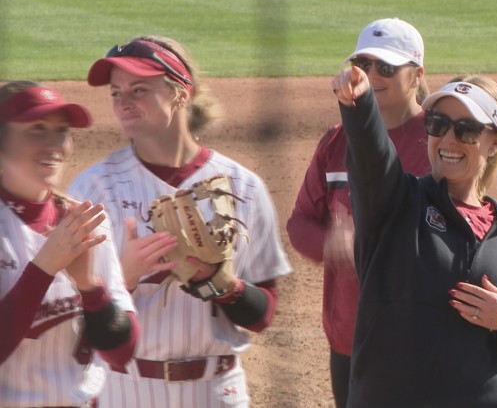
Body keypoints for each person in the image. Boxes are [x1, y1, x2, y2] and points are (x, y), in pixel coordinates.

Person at [67, 36, 292, 408]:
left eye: (138, 89)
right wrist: (123, 277)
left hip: (216, 391)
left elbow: (263, 313)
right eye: (116, 92)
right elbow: (68, 320)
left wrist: (219, 282)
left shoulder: (243, 187)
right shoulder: (93, 187)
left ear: (180, 93)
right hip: (123, 390)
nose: (124, 102)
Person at [330, 68, 497, 407]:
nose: (449, 139)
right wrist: (360, 104)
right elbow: (371, 157)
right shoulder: (396, 203)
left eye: (466, 130)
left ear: (493, 142)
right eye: (438, 124)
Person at [286, 17, 431, 408]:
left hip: (415, 337)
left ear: (417, 76)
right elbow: (299, 221)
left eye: (386, 67)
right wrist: (328, 243)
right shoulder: (336, 141)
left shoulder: (437, 142)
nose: (372, 75)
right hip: (349, 336)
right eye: (364, 65)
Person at [0, 81, 138, 407]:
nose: (54, 144)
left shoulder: (85, 223)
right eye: (37, 129)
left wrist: (91, 288)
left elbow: (122, 352)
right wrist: (43, 268)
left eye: (61, 131)